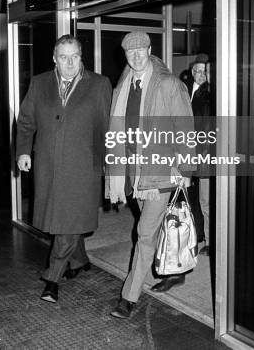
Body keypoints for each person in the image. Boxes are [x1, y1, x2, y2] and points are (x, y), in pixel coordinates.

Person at [16, 34, 112, 303]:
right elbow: (25, 122)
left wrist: (109, 166)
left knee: (67, 223)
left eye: (75, 56)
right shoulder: (39, 83)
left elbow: (105, 128)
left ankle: (52, 278)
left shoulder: (99, 84)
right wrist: (23, 151)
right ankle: (79, 260)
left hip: (83, 169)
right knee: (66, 220)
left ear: (82, 57)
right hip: (48, 166)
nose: (70, 63)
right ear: (54, 59)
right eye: (63, 57)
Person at [108, 31, 194, 319]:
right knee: (153, 231)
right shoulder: (122, 88)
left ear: (150, 49)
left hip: (161, 172)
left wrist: (184, 170)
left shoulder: (169, 85)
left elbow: (186, 131)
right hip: (134, 174)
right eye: (130, 52)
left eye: (141, 50)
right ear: (125, 55)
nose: (136, 56)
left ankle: (128, 297)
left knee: (144, 234)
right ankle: (171, 270)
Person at [184, 53, 213, 256]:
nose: (201, 75)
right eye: (198, 71)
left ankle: (212, 242)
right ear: (192, 72)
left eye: (205, 71)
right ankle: (198, 235)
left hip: (203, 154)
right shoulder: (184, 91)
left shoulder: (211, 94)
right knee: (190, 199)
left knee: (206, 201)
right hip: (186, 153)